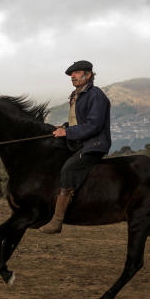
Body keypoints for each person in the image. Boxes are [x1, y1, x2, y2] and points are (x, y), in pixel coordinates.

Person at [39, 60, 112, 234]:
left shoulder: (96, 95)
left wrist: (67, 133)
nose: (72, 76)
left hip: (93, 145)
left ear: (88, 74)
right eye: (71, 74)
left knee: (69, 169)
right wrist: (64, 127)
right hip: (79, 142)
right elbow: (77, 121)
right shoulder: (77, 94)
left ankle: (57, 221)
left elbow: (94, 125)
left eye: (76, 73)